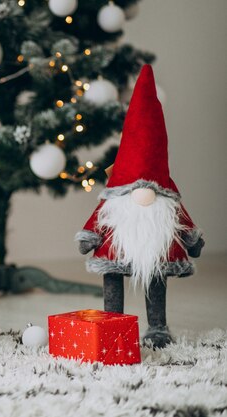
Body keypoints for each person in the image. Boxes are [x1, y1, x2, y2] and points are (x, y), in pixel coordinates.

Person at [75, 65, 204, 349]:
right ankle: (113, 321)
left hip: (155, 250)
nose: (143, 193)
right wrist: (89, 237)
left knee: (155, 278)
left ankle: (157, 327)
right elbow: (97, 220)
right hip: (117, 249)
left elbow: (182, 220)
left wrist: (192, 240)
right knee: (113, 277)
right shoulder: (115, 202)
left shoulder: (166, 202)